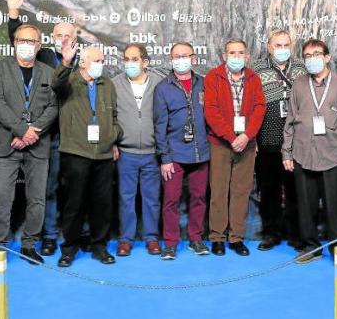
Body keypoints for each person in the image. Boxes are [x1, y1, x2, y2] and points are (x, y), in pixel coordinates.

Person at [6, 0, 83, 254]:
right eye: (58, 34)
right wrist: (13, 14)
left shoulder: (85, 61)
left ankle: (77, 234)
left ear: (76, 37)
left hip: (78, 137)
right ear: (50, 38)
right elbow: (18, 43)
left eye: (67, 35)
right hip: (48, 134)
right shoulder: (45, 56)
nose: (63, 39)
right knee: (47, 189)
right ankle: (48, 235)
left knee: (76, 189)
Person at [282, 39, 337, 264]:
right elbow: (290, 120)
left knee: (334, 205)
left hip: (332, 153)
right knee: (305, 206)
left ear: (327, 57)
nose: (312, 59)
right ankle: (311, 247)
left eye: (317, 54)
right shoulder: (298, 84)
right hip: (303, 153)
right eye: (307, 55)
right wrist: (286, 152)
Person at [0, 25, 59, 264]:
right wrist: (21, 130)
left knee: (37, 199)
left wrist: (33, 131)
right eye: (22, 40)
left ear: (39, 45)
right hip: (6, 145)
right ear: (14, 42)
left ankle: (29, 245)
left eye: (32, 41)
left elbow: (54, 106)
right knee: (2, 199)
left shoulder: (49, 72)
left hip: (37, 145)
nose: (27, 45)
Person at [54, 46, 121, 268]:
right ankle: (69, 248)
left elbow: (113, 115)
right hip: (76, 152)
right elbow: (55, 84)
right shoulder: (69, 81)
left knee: (102, 204)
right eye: (97, 60)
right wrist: (65, 62)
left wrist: (114, 137)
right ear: (83, 63)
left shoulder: (107, 84)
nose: (101, 64)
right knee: (74, 203)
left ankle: (99, 247)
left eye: (102, 60)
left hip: (103, 153)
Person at [204, 39, 266, 256]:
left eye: (240, 53)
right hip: (221, 143)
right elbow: (211, 111)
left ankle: (236, 237)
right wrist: (232, 137)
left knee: (241, 191)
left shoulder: (253, 78)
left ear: (247, 56)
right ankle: (217, 237)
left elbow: (260, 107)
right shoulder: (213, 77)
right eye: (232, 52)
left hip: (247, 144)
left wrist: (248, 135)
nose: (236, 56)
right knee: (219, 191)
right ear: (224, 55)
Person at [154, 42, 211, 260]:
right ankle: (170, 243)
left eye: (185, 56)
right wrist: (165, 158)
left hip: (201, 153)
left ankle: (196, 239)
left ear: (193, 58)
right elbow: (159, 126)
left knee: (199, 198)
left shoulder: (204, 84)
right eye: (176, 56)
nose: (181, 60)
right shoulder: (163, 88)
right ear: (171, 60)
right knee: (171, 201)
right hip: (174, 154)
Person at [251, 29, 306, 251]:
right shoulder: (256, 70)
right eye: (277, 45)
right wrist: (252, 137)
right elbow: (250, 105)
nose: (282, 49)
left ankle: (295, 233)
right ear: (269, 47)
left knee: (296, 190)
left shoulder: (302, 68)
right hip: (267, 139)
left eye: (285, 45)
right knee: (269, 190)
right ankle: (271, 233)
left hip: (297, 142)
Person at [112, 44, 163, 257]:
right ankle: (125, 239)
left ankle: (152, 238)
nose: (130, 63)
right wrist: (113, 143)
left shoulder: (159, 83)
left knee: (152, 199)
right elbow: (110, 117)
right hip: (126, 153)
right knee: (126, 198)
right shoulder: (114, 84)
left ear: (145, 62)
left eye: (134, 59)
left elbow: (165, 117)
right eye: (126, 59)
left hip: (152, 153)